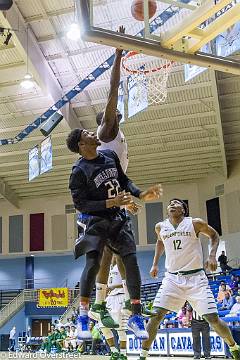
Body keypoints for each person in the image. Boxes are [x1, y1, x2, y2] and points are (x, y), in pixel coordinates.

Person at [67, 128, 162, 341]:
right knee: (93, 263)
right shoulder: (78, 171)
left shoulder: (109, 155)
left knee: (131, 261)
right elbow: (80, 204)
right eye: (87, 133)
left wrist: (140, 193)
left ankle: (136, 317)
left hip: (118, 217)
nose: (92, 132)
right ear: (81, 145)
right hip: (93, 220)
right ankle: (83, 316)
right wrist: (111, 202)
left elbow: (124, 180)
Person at [86, 25, 141, 328]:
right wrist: (118, 54)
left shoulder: (117, 137)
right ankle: (103, 305)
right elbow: (112, 90)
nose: (116, 111)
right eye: (112, 111)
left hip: (112, 195)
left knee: (114, 248)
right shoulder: (107, 130)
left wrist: (127, 198)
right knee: (115, 247)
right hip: (103, 199)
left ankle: (99, 304)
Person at [137, 199, 240, 360]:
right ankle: (143, 354)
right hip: (172, 278)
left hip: (196, 278)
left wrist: (212, 255)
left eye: (176, 203)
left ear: (184, 210)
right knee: (155, 316)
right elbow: (160, 242)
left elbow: (214, 235)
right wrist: (155, 264)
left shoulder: (194, 223)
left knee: (212, 318)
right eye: (170, 203)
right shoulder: (160, 227)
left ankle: (233, 346)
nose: (172, 204)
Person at [99, 256, 129, 360]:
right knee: (103, 326)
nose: (113, 256)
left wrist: (114, 287)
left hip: (120, 295)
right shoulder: (110, 268)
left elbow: (128, 282)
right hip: (110, 298)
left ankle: (123, 354)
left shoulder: (124, 266)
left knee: (120, 329)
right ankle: (114, 352)